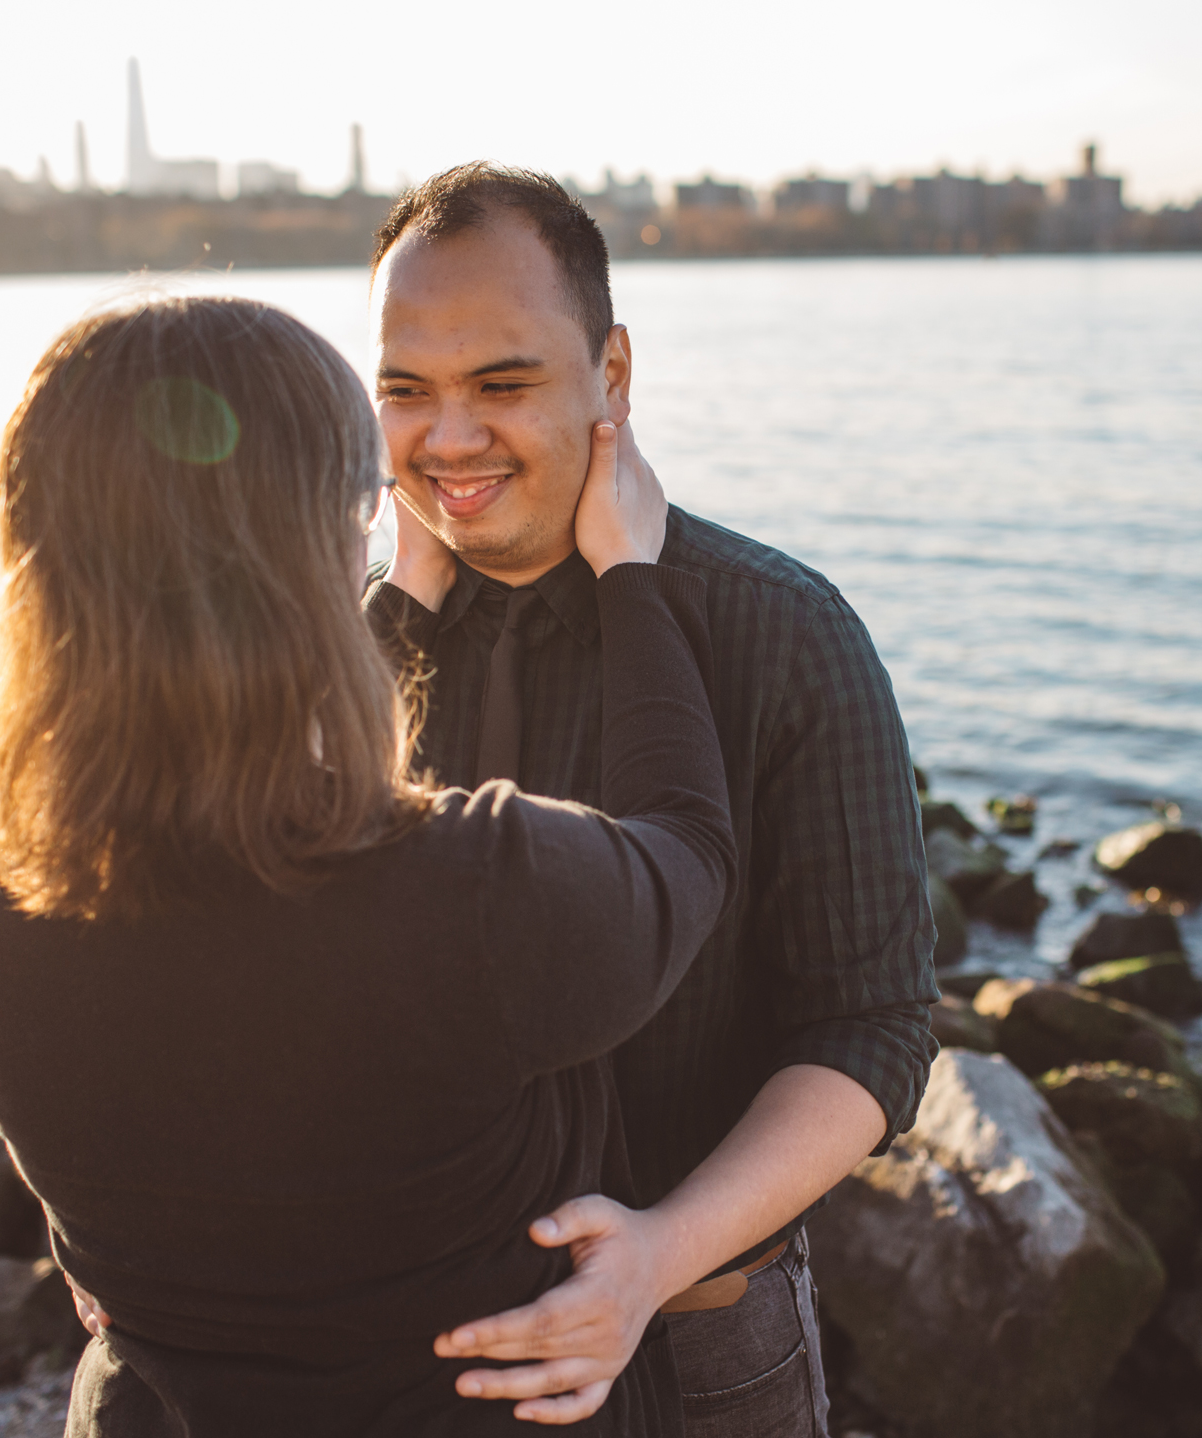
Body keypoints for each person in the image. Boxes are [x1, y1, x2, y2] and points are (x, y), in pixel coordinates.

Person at [0, 294, 737, 1435]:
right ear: (303, 554)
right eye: (358, 506)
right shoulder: (475, 892)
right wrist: (632, 575)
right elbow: (687, 845)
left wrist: (398, 608)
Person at [366, 164, 940, 1433]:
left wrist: (655, 1253)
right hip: (400, 1335)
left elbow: (873, 1027)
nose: (448, 439)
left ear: (611, 374)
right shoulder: (355, 653)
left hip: (696, 1340)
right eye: (407, 391)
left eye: (501, 384)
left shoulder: (781, 631)